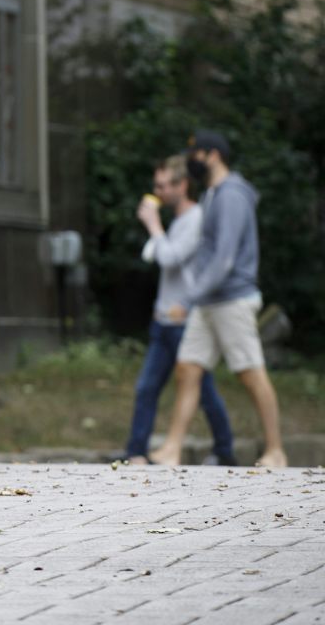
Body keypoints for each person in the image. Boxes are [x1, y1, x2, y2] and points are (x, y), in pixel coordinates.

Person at [148, 130, 285, 469]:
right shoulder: (213, 194)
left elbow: (224, 260)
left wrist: (189, 297)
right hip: (209, 301)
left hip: (232, 300)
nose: (192, 161)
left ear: (213, 156)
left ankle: (276, 450)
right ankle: (173, 448)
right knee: (188, 369)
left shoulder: (231, 196)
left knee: (250, 373)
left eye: (196, 155)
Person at [120, 155, 235, 465]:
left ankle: (225, 450)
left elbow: (170, 257)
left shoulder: (196, 218)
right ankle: (136, 452)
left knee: (204, 391)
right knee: (147, 387)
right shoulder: (178, 220)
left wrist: (153, 225)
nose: (158, 191)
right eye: (155, 185)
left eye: (164, 185)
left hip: (183, 320)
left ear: (182, 185)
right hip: (163, 321)